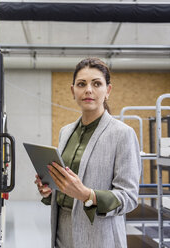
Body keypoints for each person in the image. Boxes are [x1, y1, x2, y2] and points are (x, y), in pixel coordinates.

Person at [34, 58, 141, 248]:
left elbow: (129, 198)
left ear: (107, 91)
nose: (88, 90)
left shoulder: (122, 134)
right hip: (62, 233)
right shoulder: (66, 132)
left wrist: (87, 195)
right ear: (73, 91)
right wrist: (50, 190)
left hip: (100, 237)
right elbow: (65, 187)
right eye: (81, 84)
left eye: (97, 84)